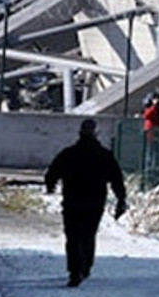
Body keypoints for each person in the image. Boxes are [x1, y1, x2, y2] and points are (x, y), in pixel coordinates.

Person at [45, 119, 128, 287]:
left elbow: (52, 172)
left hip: (72, 200)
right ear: (96, 134)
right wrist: (121, 198)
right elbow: (116, 179)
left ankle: (75, 270)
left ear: (80, 134)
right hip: (95, 202)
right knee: (88, 235)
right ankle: (86, 267)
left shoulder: (69, 153)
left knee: (73, 236)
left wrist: (50, 185)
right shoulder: (105, 155)